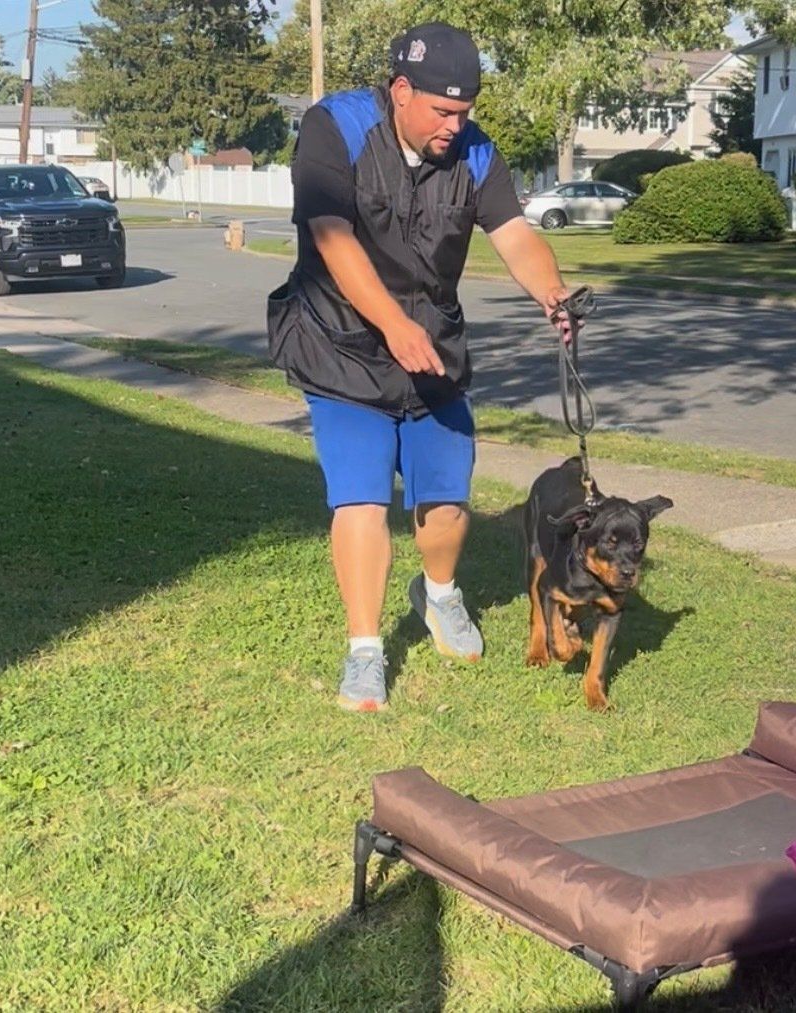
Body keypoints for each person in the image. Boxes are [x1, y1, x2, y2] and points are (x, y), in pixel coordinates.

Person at [267, 21, 576, 712]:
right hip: (341, 346)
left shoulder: (475, 153)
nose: (455, 124)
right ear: (401, 90)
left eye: (464, 110)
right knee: (361, 497)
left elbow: (516, 236)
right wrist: (390, 322)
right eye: (443, 110)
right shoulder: (334, 129)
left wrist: (552, 293)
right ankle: (365, 652)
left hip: (431, 347)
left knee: (445, 500)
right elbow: (330, 235)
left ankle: (439, 595)